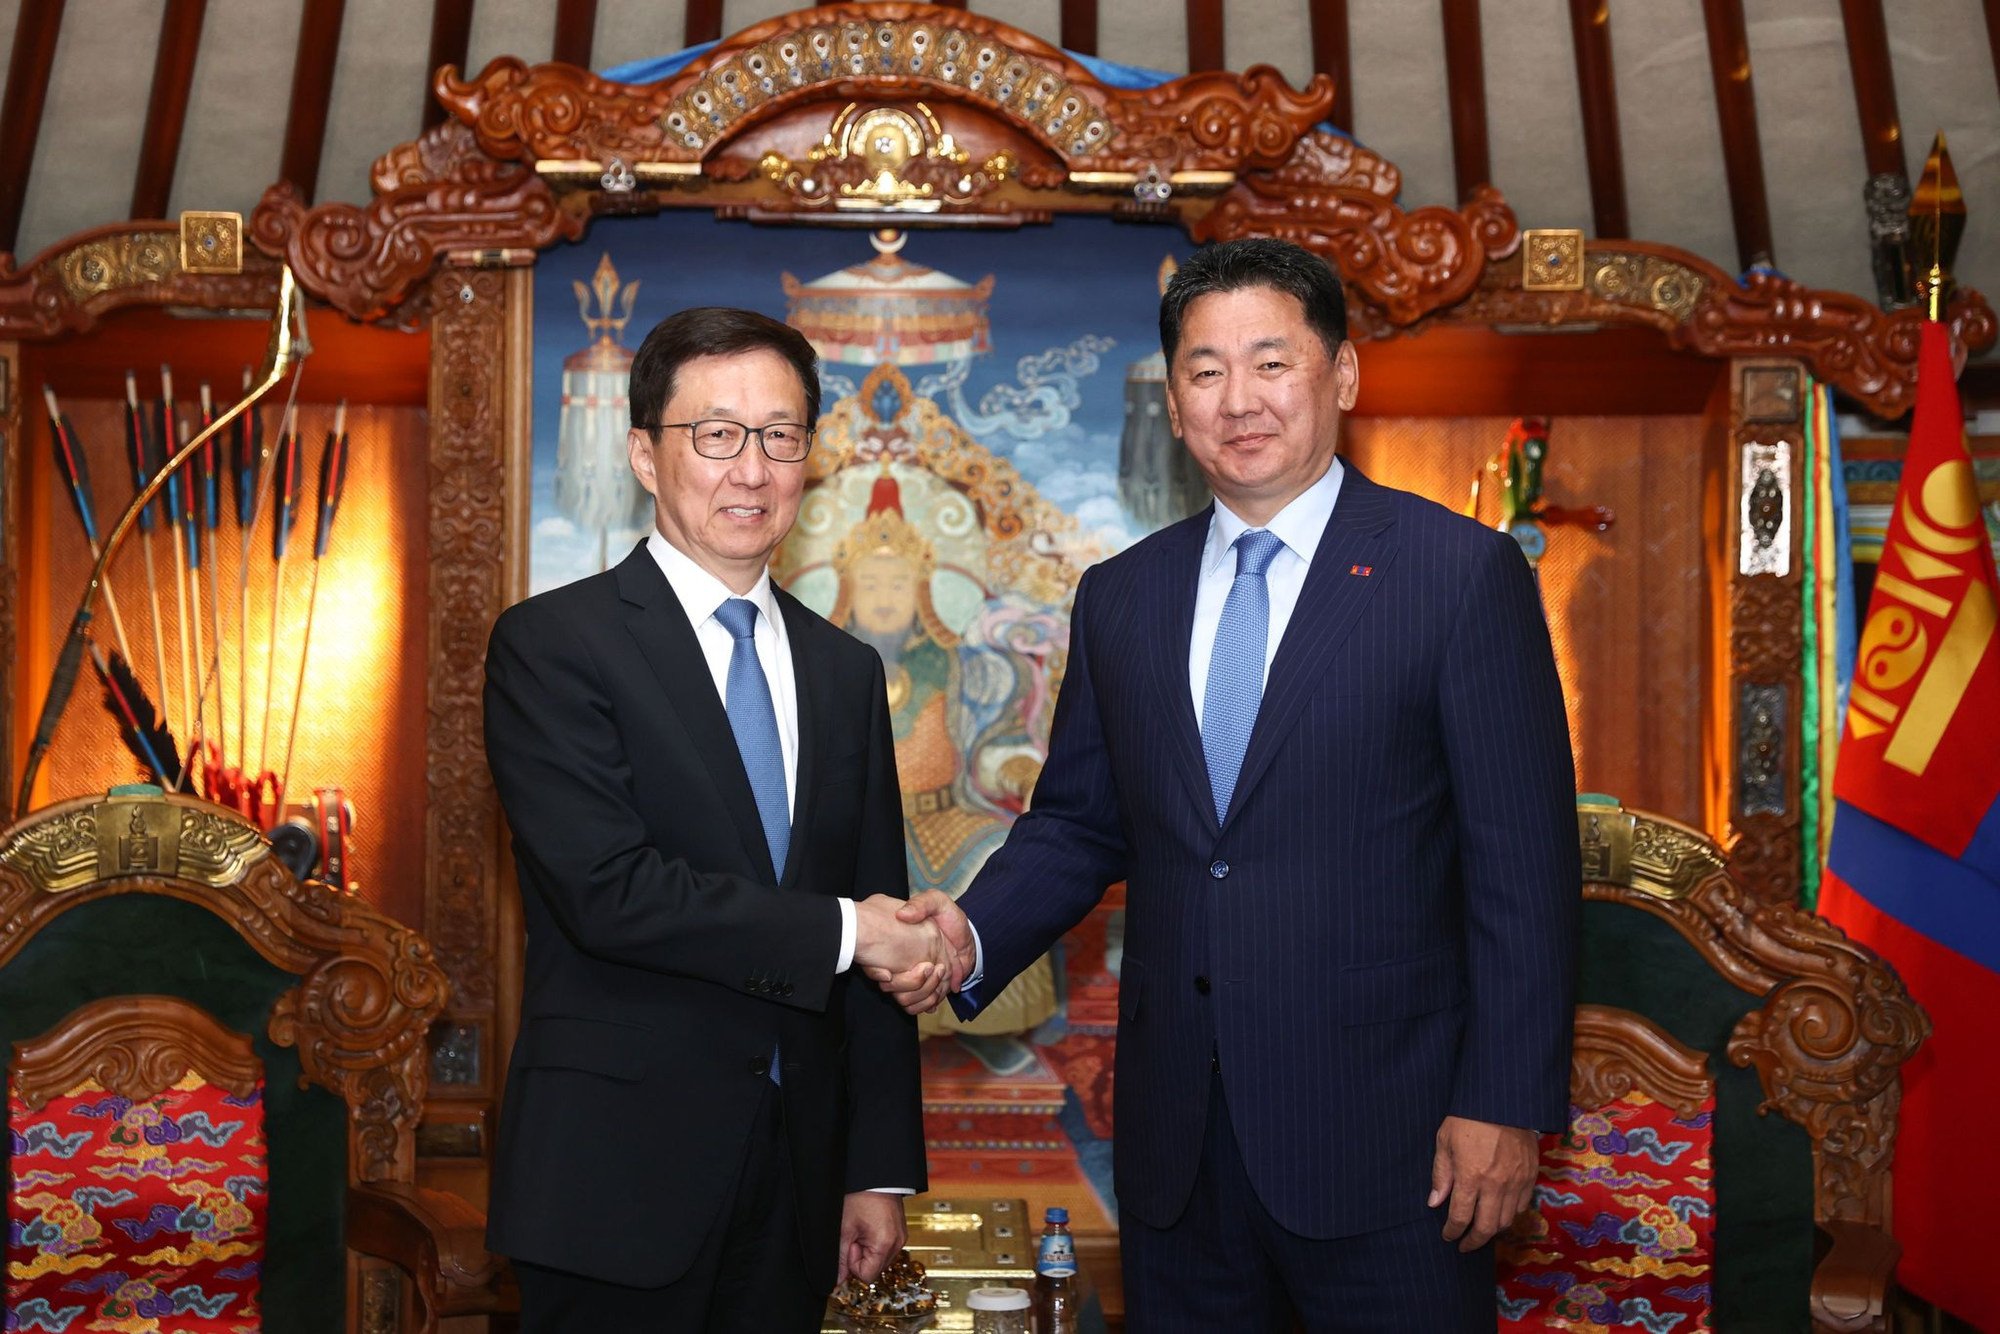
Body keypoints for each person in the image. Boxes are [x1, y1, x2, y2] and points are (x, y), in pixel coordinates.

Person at [877, 238, 1580, 1331]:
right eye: (1203, 371)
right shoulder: (1122, 597)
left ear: (1339, 374)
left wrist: (1502, 1100)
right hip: (1178, 1153)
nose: (1237, 399)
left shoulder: (1455, 575)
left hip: (1395, 1150)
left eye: (1269, 362)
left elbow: (1523, 870)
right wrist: (963, 935)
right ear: (1173, 398)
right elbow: (1075, 823)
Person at [483, 306, 950, 1331]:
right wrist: (850, 930)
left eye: (780, 435)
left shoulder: (844, 672)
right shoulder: (553, 646)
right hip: (613, 1178)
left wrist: (874, 1168)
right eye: (718, 434)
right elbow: (610, 893)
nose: (752, 468)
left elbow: (870, 903)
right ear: (646, 454)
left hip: (797, 1180)